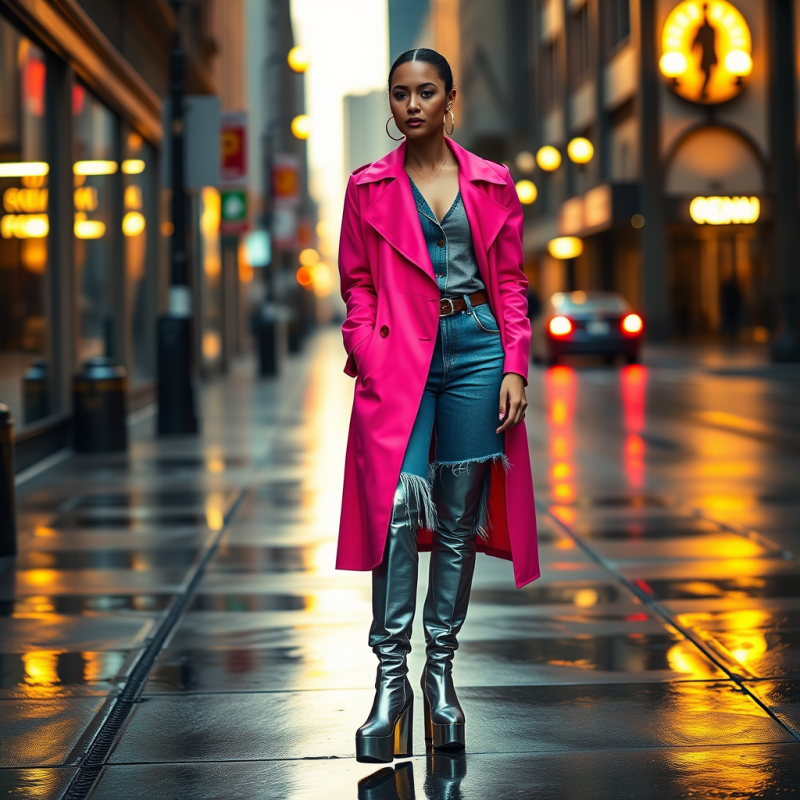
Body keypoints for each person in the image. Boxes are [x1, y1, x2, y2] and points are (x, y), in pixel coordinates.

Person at [336, 48, 540, 764]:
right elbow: (357, 285)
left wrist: (515, 362)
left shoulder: (491, 181)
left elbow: (510, 282)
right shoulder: (366, 188)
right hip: (400, 356)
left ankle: (440, 676)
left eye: (426, 92)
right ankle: (390, 683)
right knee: (395, 508)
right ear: (391, 105)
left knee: (457, 518)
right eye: (400, 94)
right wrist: (363, 345)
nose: (412, 104)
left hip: (477, 348)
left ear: (450, 98)